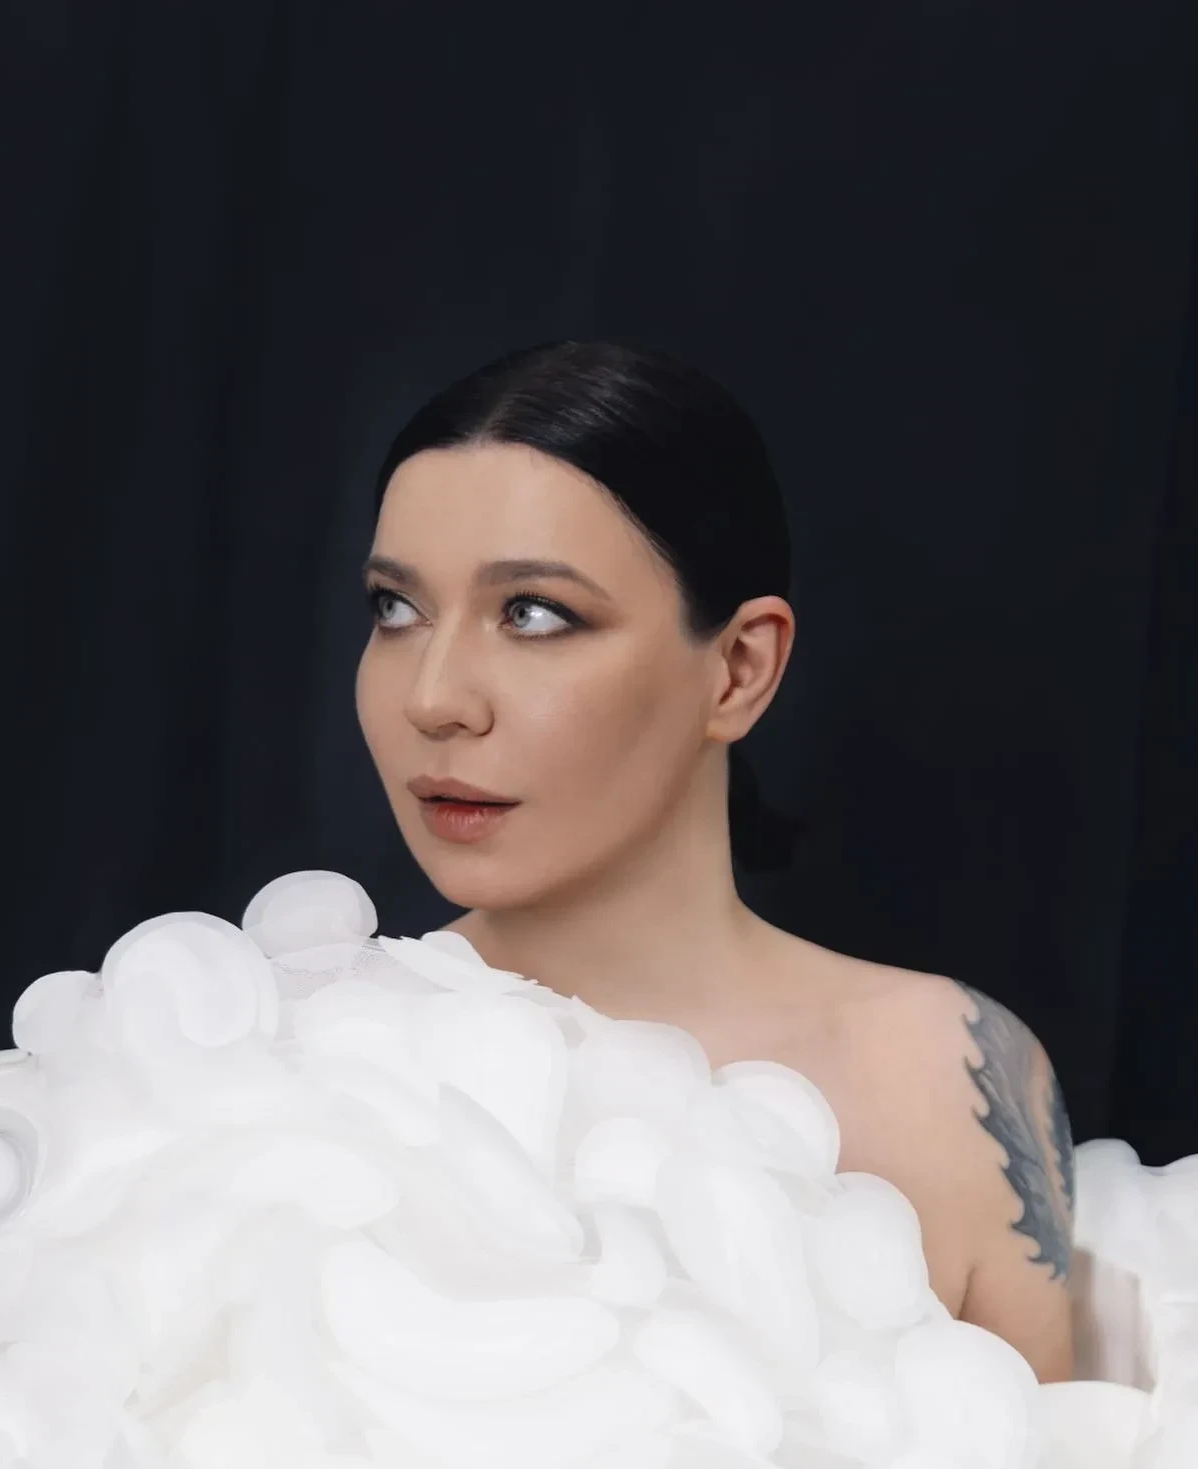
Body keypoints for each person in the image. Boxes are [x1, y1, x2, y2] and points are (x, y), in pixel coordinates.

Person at [355, 338, 1076, 1383]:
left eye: (534, 614)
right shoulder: (297, 1063)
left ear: (738, 668)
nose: (433, 698)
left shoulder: (948, 1077)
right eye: (395, 608)